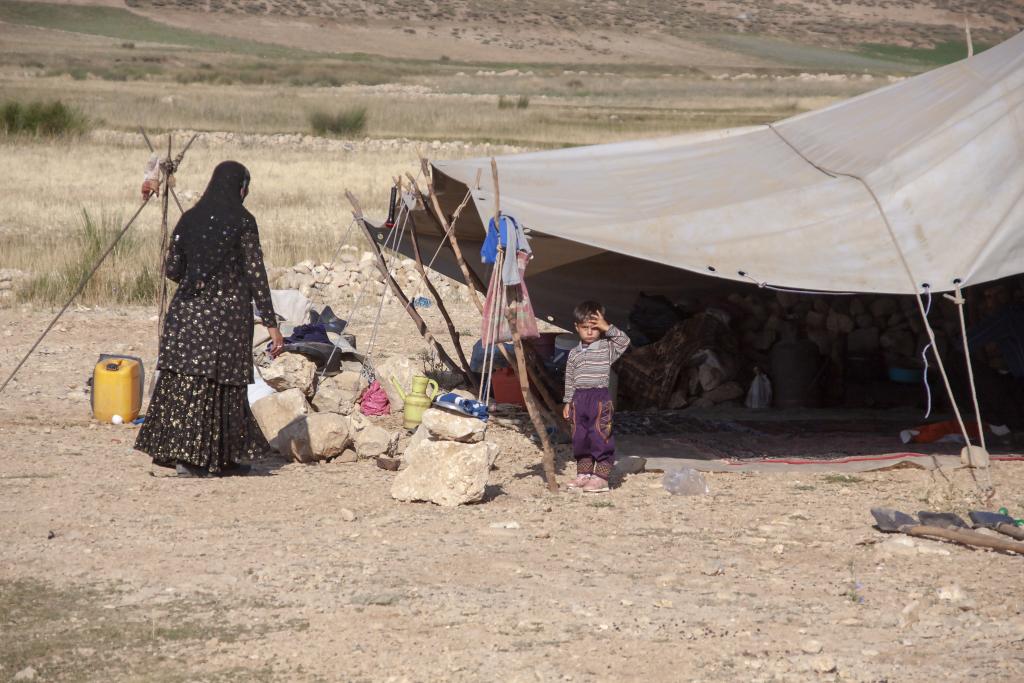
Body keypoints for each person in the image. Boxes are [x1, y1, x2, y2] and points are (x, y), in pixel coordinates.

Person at [135, 161, 285, 477]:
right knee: (223, 386)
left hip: (186, 315)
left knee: (187, 383)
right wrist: (273, 327)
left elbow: (173, 269)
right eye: (246, 186)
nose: (245, 192)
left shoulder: (189, 219)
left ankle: (190, 458)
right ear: (238, 187)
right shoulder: (244, 222)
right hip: (227, 318)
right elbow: (257, 277)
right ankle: (214, 458)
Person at [562, 301, 631, 492]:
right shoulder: (573, 353)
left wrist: (606, 326)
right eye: (585, 328)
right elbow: (569, 377)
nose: (590, 332)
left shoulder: (606, 348)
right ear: (577, 327)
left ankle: (601, 477)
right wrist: (568, 401)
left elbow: (624, 341)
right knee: (580, 437)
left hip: (599, 398)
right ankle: (584, 474)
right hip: (578, 399)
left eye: (594, 328)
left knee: (600, 434)